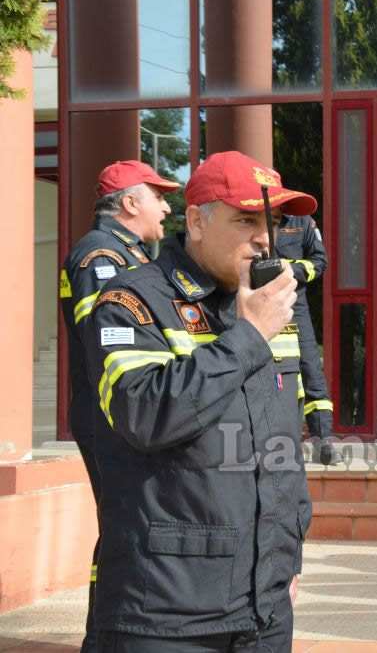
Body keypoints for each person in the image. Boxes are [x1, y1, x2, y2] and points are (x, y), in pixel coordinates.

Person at [84, 151, 313, 651]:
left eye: (272, 222)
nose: (264, 236)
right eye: (246, 219)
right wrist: (248, 335)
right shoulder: (132, 300)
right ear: (196, 221)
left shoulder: (269, 305)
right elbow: (145, 415)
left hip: (264, 605)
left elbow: (281, 446)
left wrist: (286, 558)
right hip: (167, 613)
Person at [59, 160, 179, 653]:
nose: (168, 206)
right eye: (159, 196)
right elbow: (102, 346)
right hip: (108, 417)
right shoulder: (99, 257)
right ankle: (103, 639)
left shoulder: (126, 254)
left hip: (122, 417)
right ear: (130, 203)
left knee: (128, 524)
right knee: (121, 528)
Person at [276, 212, 343, 465]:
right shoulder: (253, 218)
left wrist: (288, 268)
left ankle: (323, 442)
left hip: (296, 306)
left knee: (311, 371)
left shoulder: (302, 222)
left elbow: (319, 262)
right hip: (255, 302)